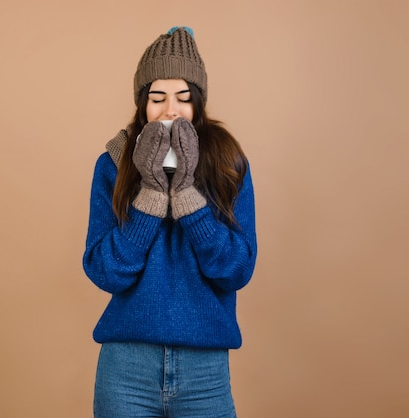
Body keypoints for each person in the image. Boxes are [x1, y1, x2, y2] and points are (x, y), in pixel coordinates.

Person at [82, 26, 257, 417]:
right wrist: (151, 197)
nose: (170, 110)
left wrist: (189, 200)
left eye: (183, 97)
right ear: (142, 104)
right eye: (156, 97)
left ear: (199, 102)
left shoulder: (229, 163)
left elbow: (237, 270)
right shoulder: (113, 163)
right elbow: (104, 271)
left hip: (204, 368)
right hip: (126, 366)